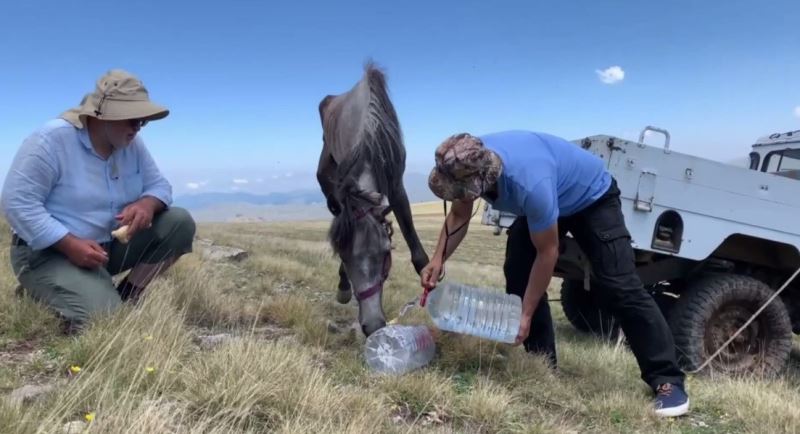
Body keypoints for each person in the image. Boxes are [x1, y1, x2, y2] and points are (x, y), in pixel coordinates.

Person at [420, 130, 689, 417]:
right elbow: (460, 214)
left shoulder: (529, 184)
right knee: (517, 272)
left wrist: (524, 315)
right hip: (554, 193)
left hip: (592, 197)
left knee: (619, 286)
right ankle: (542, 361)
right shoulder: (463, 161)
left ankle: (668, 381)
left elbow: (547, 253)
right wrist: (438, 258)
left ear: (485, 178)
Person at [1, 69, 196, 334]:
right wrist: (68, 244)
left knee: (179, 223)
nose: (137, 127)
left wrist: (147, 204)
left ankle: (128, 296)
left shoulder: (131, 144)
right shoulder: (51, 140)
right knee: (107, 321)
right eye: (132, 119)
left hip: (102, 249)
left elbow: (159, 186)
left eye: (142, 121)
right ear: (103, 116)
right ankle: (40, 290)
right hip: (46, 253)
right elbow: (17, 202)